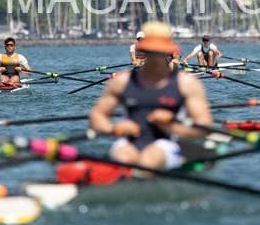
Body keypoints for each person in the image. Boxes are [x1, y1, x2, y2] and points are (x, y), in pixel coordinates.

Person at [90, 21, 212, 170]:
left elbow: (203, 126)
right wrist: (114, 128)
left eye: (159, 52)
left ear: (167, 52)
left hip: (166, 143)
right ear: (144, 50)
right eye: (151, 51)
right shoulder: (121, 82)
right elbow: (97, 116)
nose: (155, 57)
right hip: (128, 141)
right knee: (124, 158)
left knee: (149, 160)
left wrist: (172, 126)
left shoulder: (187, 83)